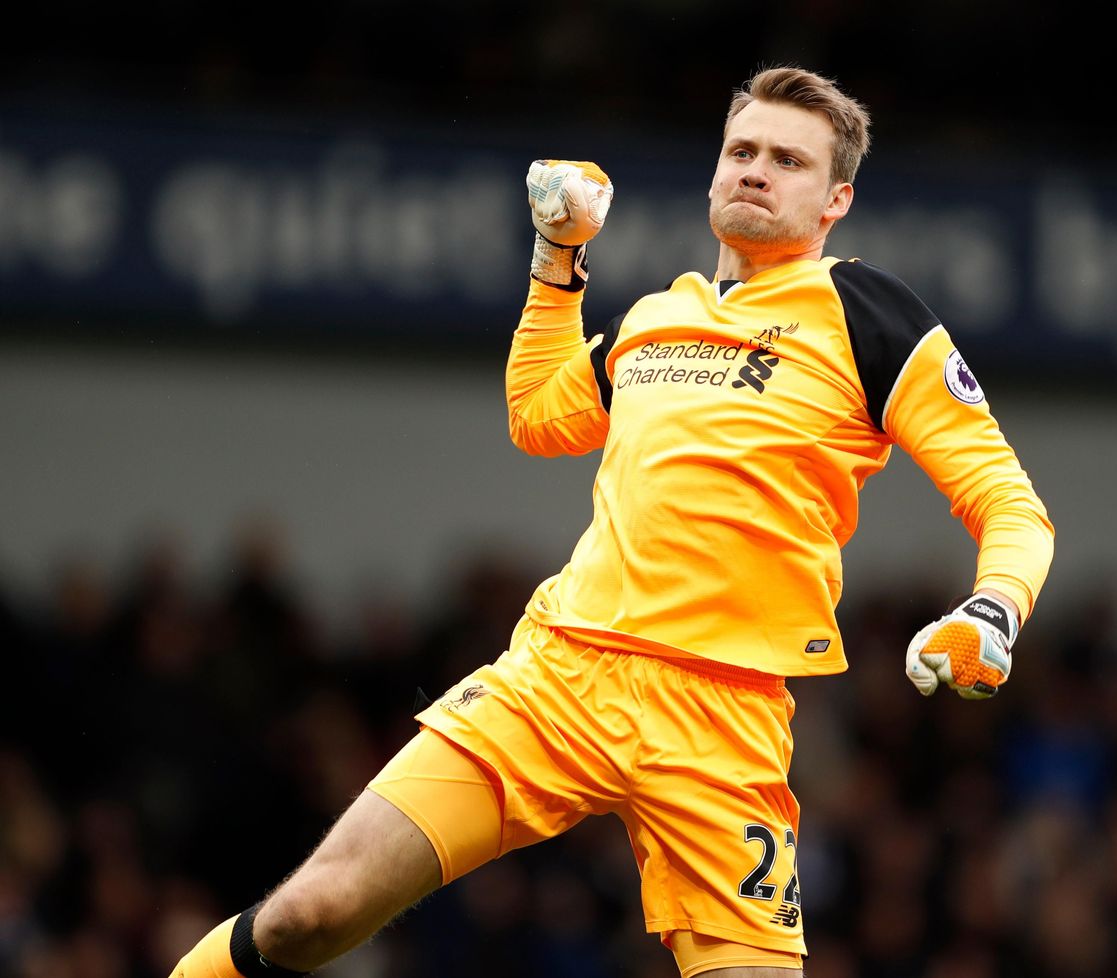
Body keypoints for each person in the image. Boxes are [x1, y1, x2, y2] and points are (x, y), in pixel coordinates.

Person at [169, 65, 1054, 978]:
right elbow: (539, 415)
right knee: (309, 915)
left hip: (723, 717)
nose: (756, 170)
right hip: (562, 673)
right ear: (715, 173)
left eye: (788, 161)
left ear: (837, 200)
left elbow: (1010, 502)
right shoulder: (654, 316)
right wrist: (557, 257)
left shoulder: (866, 312)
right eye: (741, 151)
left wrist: (992, 611)